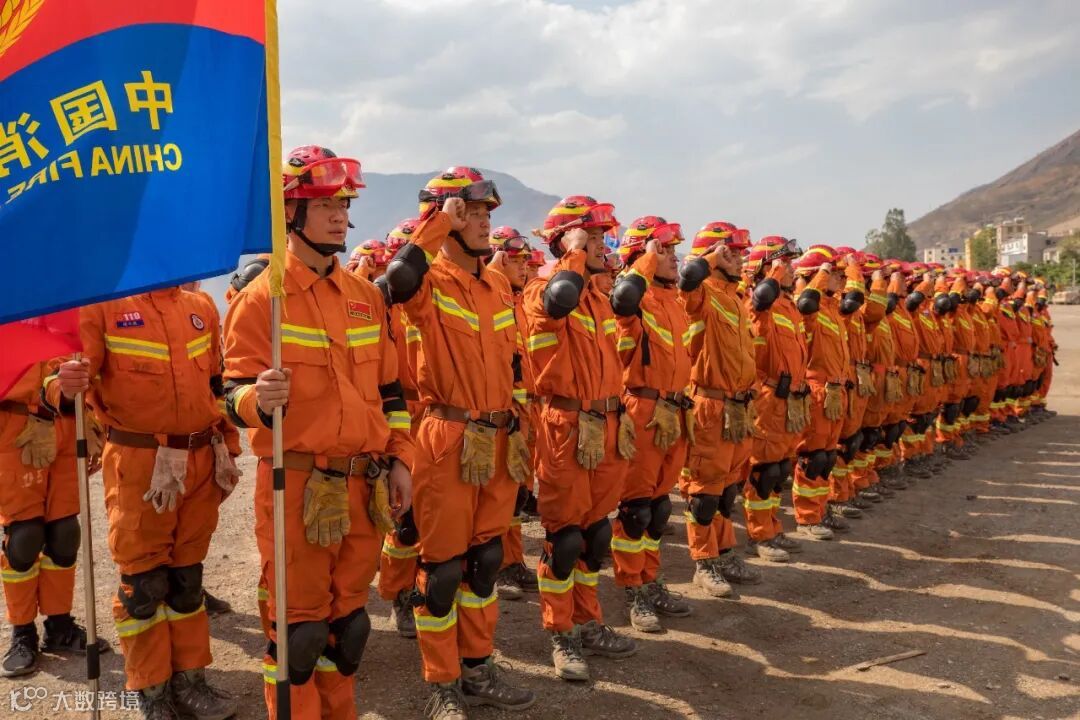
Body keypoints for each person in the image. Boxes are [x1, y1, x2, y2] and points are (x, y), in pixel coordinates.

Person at [223, 145, 414, 720]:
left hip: (364, 484)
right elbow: (229, 394)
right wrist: (258, 400)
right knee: (299, 634)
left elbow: (390, 392)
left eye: (344, 205)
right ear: (290, 212)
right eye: (326, 204)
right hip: (297, 487)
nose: (340, 216)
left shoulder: (365, 298)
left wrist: (401, 459)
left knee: (349, 627)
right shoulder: (262, 300)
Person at [384, 167, 535, 718]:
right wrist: (433, 223)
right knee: (443, 570)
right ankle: (442, 685)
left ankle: (478, 667)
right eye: (468, 213)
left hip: (499, 438)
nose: (482, 222)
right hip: (448, 437)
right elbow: (398, 282)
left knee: (485, 561)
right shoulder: (430, 282)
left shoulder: (498, 286)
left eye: (485, 213)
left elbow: (513, 365)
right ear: (446, 218)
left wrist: (524, 430)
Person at [53, 283, 240, 718]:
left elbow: (214, 385)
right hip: (139, 462)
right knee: (144, 584)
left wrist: (228, 443)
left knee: (187, 579)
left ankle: (190, 680)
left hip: (199, 458)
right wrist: (63, 386)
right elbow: (66, 385)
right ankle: (152, 689)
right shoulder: (102, 305)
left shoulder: (200, 307)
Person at [523, 195, 636, 682]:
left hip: (606, 426)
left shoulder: (596, 298)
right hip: (566, 428)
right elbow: (555, 304)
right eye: (590, 236)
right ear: (565, 241)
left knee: (595, 535)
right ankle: (561, 632)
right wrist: (570, 253)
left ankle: (590, 621)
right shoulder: (542, 291)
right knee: (565, 538)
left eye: (600, 237)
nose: (601, 245)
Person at [608, 217, 693, 632]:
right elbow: (622, 303)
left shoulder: (673, 301)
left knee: (659, 509)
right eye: (664, 250)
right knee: (636, 509)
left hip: (673, 410)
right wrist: (643, 261)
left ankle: (650, 578)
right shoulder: (634, 298)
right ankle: (633, 589)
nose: (674, 258)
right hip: (642, 409)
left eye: (674, 250)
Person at [0, 363, 110, 677]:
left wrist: (94, 417)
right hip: (16, 427)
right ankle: (22, 631)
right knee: (24, 536)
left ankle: (59, 625)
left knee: (64, 531)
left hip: (68, 426)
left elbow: (94, 370)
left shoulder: (71, 330)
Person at [676, 223, 759, 592]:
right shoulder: (703, 295)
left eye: (740, 253)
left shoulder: (735, 299)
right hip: (710, 405)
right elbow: (687, 285)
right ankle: (704, 562)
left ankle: (724, 553)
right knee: (704, 494)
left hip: (737, 407)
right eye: (732, 253)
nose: (740, 259)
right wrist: (710, 258)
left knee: (726, 490)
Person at [740, 236, 807, 562]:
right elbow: (758, 306)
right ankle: (760, 535)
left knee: (779, 470)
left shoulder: (788, 307)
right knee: (763, 472)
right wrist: (774, 273)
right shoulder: (760, 305)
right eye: (786, 263)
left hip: (789, 400)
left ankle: (773, 527)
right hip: (769, 398)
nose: (792, 269)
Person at [484, 226, 540, 602]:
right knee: (497, 497)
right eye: (517, 260)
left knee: (516, 495)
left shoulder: (515, 301)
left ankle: (512, 560)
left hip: (522, 412)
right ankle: (498, 567)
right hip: (497, 416)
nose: (525, 266)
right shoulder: (490, 298)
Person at [374, 218, 424, 639]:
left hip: (434, 417)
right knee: (403, 521)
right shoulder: (380, 306)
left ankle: (424, 589)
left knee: (432, 520)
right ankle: (399, 594)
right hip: (400, 414)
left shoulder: (429, 303)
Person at [791, 246, 850, 540]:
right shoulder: (809, 309)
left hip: (835, 391)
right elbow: (805, 305)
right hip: (817, 391)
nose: (840, 279)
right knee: (812, 458)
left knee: (827, 457)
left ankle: (821, 510)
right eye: (834, 273)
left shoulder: (833, 310)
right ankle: (807, 519)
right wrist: (821, 274)